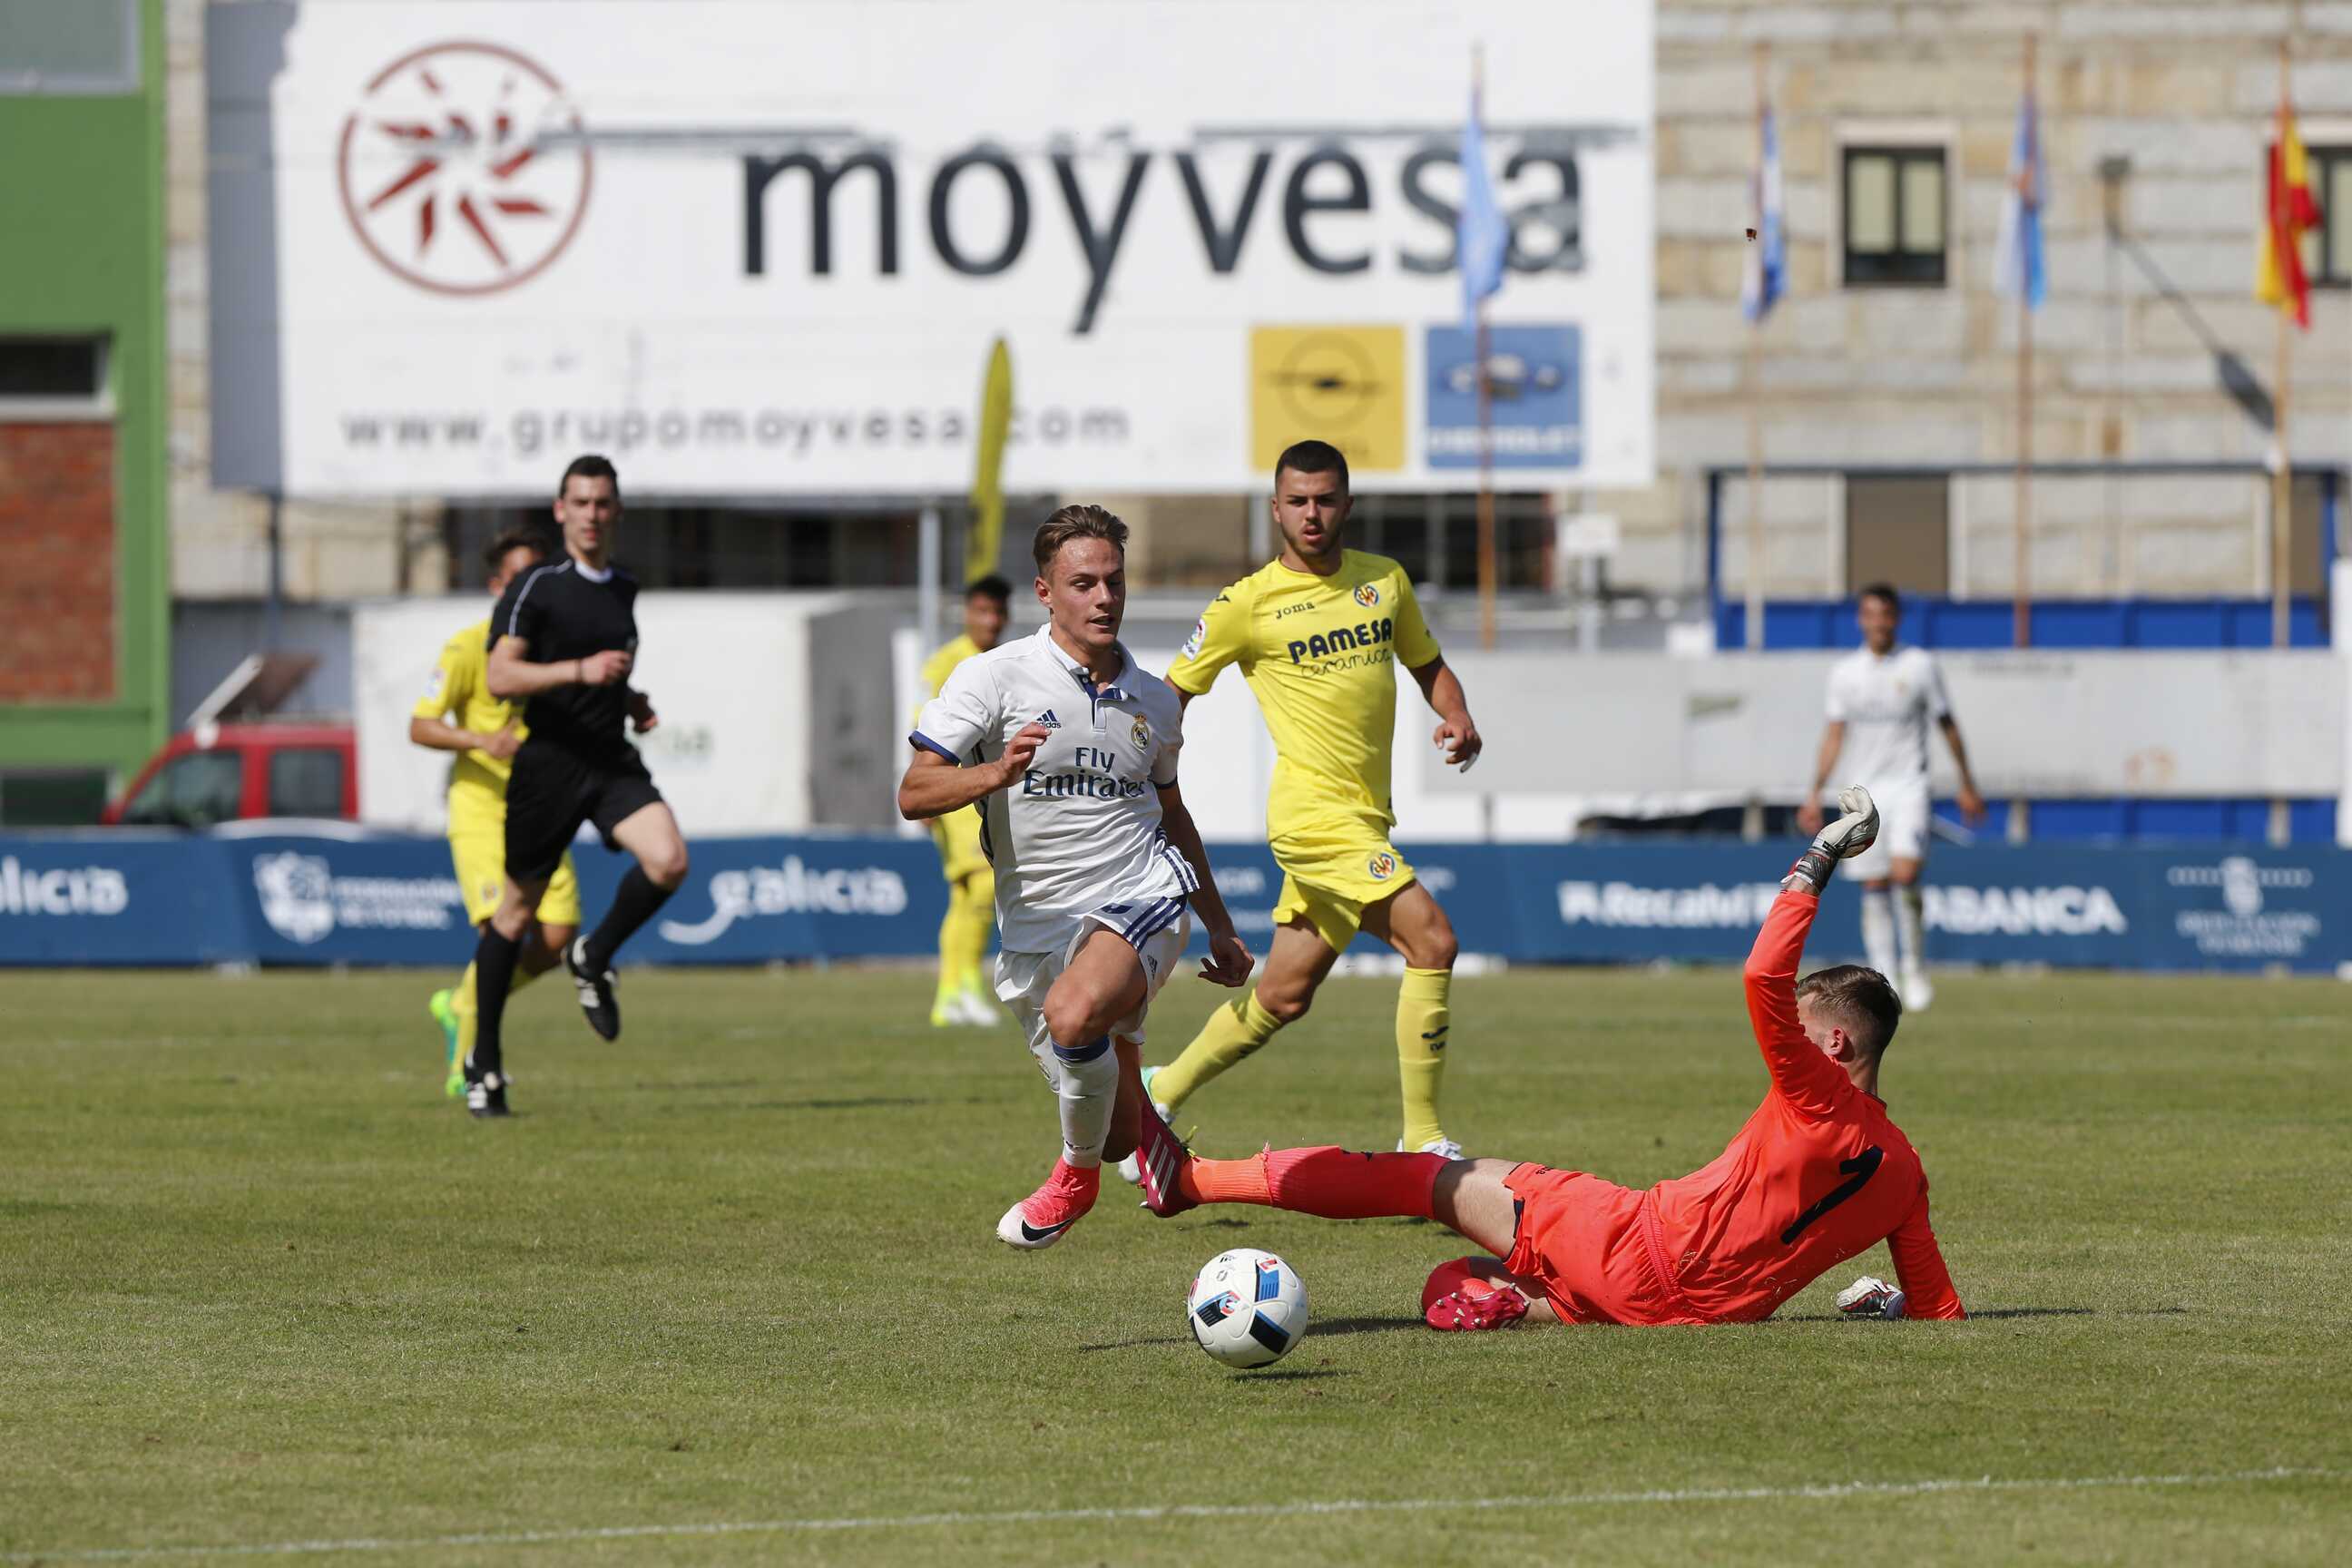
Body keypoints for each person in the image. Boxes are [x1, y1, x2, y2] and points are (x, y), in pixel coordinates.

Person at [1134, 789, 1966, 1330]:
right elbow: (1940, 1309)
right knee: (1451, 1279)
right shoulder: (1905, 1175)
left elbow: (1761, 976)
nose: (1788, 1038)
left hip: (1633, 1241)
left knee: (1419, 1178)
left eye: (1803, 1027)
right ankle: (1524, 1301)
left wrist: (1818, 859)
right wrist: (1890, 1303)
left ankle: (1194, 1182)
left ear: (1836, 1044)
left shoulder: (1816, 1093)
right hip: (1690, 1317)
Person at [898, 505, 1252, 1249]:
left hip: (1143, 894)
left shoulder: (1156, 701)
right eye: (1083, 583)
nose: (1104, 598)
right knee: (1117, 1130)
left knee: (1073, 1013)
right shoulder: (992, 678)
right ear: (1045, 592)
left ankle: (1073, 1179)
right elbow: (914, 792)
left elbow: (1173, 815)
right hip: (1038, 929)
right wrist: (995, 773)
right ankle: (1153, 1148)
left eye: (1113, 582)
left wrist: (1218, 924)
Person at [1139, 438, 1483, 1162]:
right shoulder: (1246, 604)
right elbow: (1171, 695)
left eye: (1325, 499)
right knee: (1433, 941)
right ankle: (1422, 1140)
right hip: (1312, 820)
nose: (1312, 514)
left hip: (1365, 816)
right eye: (1297, 501)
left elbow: (1429, 665)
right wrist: (1145, 773)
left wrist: (1456, 714)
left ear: (1347, 504)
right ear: (1276, 509)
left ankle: (1159, 1090)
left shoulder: (1385, 582)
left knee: (1282, 997)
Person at [462, 454, 689, 1118]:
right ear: (561, 510)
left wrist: (630, 700)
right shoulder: (535, 585)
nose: (592, 514)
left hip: (609, 758)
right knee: (515, 915)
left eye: (602, 503)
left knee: (669, 860)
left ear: (616, 511)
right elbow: (501, 677)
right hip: (549, 765)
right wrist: (579, 671)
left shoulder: (624, 585)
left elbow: (609, 669)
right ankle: (483, 1062)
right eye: (580, 502)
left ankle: (593, 955)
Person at [411, 527, 582, 1097]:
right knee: (501, 930)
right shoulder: (469, 647)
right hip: (482, 810)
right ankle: (470, 1063)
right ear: (495, 587)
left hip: (541, 810)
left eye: (537, 577)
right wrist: (482, 742)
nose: (528, 589)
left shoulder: (554, 649)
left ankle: (461, 1001)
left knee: (556, 939)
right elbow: (421, 725)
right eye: (516, 579)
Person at [1797, 584, 1986, 1013]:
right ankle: (1885, 977)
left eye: (1885, 614)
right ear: (1860, 620)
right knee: (1874, 882)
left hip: (1909, 785)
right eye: (1870, 614)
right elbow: (1834, 735)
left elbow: (1947, 725)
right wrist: (1813, 792)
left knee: (1905, 872)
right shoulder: (1845, 673)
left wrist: (1967, 783)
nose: (1878, 623)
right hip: (1863, 792)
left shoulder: (1919, 665)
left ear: (1896, 618)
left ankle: (1915, 966)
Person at [917, 574, 1014, 1027]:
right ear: (967, 613)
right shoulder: (947, 662)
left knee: (963, 898)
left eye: (998, 612)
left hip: (990, 789)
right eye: (982, 611)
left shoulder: (1005, 661)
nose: (990, 621)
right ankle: (969, 987)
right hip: (955, 789)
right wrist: (927, 794)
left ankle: (949, 996)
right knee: (980, 886)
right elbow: (924, 730)